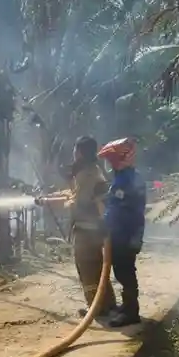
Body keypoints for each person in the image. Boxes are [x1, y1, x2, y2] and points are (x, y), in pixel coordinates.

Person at [63, 136, 116, 319]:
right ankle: (108, 304)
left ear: (80, 152)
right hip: (95, 229)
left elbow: (81, 201)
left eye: (75, 149)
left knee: (86, 268)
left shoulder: (86, 174)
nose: (73, 153)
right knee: (98, 267)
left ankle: (95, 307)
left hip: (86, 230)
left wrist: (69, 204)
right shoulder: (94, 170)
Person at [97, 137, 146, 328]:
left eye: (111, 161)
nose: (109, 165)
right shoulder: (127, 177)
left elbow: (118, 208)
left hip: (127, 234)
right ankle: (126, 307)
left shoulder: (126, 180)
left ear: (119, 159)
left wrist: (105, 223)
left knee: (125, 272)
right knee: (122, 270)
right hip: (127, 232)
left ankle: (131, 312)